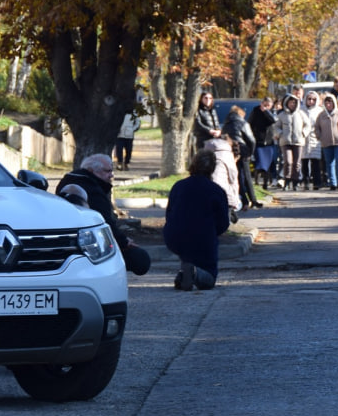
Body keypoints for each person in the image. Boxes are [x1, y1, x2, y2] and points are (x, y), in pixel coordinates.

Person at [55, 154, 151, 276]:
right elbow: (105, 222)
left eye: (111, 171)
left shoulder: (68, 181)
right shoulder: (93, 190)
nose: (111, 175)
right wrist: (124, 242)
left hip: (67, 242)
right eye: (107, 171)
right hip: (90, 245)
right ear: (91, 171)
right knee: (141, 258)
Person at [164, 149, 231, 291]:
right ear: (212, 169)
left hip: (175, 237)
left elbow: (170, 214)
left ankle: (185, 273)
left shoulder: (178, 186)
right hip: (203, 237)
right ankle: (194, 273)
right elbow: (223, 223)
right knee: (209, 277)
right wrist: (212, 232)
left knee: (188, 255)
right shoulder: (216, 191)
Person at [221, 104, 260, 210]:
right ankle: (253, 200)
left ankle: (244, 200)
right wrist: (250, 153)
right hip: (243, 151)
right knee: (247, 177)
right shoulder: (243, 123)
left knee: (236, 177)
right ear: (241, 114)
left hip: (230, 152)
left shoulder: (225, 125)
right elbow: (251, 140)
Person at [276, 94, 309, 192]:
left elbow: (308, 125)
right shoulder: (282, 115)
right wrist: (280, 133)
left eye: (294, 102)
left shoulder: (301, 114)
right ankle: (287, 180)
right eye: (290, 102)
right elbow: (276, 126)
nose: (292, 104)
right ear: (286, 103)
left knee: (297, 163)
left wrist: (303, 133)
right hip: (286, 142)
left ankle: (295, 182)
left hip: (298, 141)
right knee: (288, 162)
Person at [314, 93, 338, 191]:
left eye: (330, 102)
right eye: (326, 103)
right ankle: (333, 183)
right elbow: (316, 127)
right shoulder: (321, 115)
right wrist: (319, 136)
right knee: (329, 163)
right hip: (326, 142)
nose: (328, 105)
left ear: (334, 103)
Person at [248, 97, 280, 188]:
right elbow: (250, 122)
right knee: (259, 163)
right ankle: (257, 181)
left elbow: (273, 120)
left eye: (268, 105)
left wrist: (266, 111)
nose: (266, 107)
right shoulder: (255, 110)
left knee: (267, 163)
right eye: (264, 104)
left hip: (268, 141)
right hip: (258, 140)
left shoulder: (272, 112)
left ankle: (265, 183)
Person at [300, 90, 324, 190]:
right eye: (309, 99)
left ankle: (316, 182)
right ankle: (305, 181)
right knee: (304, 162)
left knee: (316, 163)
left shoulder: (320, 110)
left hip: (315, 138)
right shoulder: (301, 110)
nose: (311, 101)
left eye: (313, 99)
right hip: (304, 138)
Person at [115, 106, 141, 171]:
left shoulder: (134, 112)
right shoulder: (118, 110)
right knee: (119, 150)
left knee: (129, 150)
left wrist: (132, 129)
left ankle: (126, 163)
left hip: (129, 135)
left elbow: (138, 122)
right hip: (119, 135)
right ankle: (119, 163)